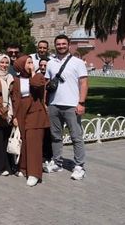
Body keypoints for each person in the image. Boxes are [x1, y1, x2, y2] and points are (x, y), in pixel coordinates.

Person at [44, 34, 88, 180]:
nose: (61, 46)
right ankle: (57, 162)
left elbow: (83, 83)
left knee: (76, 136)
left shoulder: (78, 62)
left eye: (63, 44)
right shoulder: (50, 63)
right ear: (55, 45)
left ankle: (79, 165)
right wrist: (45, 103)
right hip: (54, 104)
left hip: (71, 105)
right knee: (55, 136)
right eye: (58, 44)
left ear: (69, 45)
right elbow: (47, 84)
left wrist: (81, 102)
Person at [11, 55, 50, 186]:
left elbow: (36, 84)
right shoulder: (16, 80)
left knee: (34, 141)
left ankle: (34, 173)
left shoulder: (38, 77)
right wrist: (14, 116)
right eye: (28, 63)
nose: (31, 64)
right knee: (24, 140)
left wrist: (33, 72)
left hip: (35, 111)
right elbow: (15, 98)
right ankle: (23, 168)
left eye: (32, 62)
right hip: (21, 111)